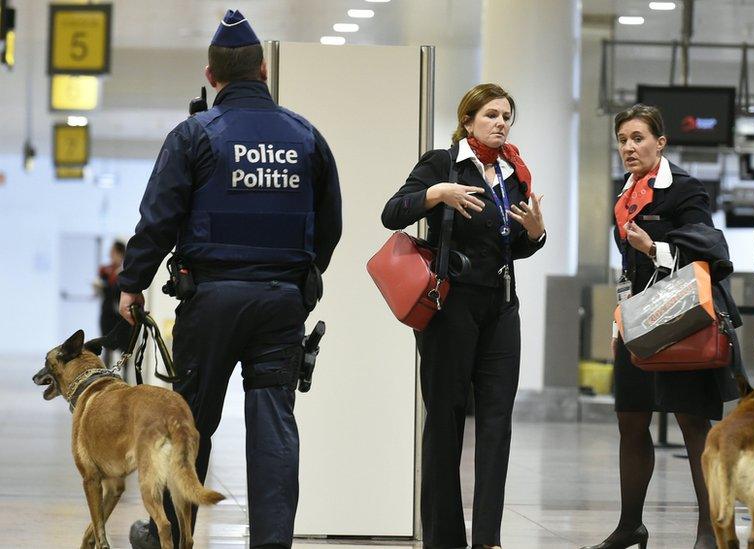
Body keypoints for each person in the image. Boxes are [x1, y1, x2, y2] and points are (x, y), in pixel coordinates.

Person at [118, 10, 342, 549]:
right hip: (280, 304)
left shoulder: (195, 134)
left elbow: (159, 217)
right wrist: (299, 279)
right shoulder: (305, 136)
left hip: (211, 301)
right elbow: (331, 225)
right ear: (263, 70)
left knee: (187, 422)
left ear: (211, 75)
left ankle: (171, 536)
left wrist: (132, 283)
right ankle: (271, 542)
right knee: (273, 426)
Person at [382, 83, 546, 549]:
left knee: (497, 421)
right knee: (445, 421)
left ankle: (488, 539)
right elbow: (391, 213)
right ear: (469, 119)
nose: (500, 123)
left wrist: (535, 234)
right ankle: (443, 539)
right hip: (450, 306)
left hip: (500, 306)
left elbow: (512, 245)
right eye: (491, 115)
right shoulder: (442, 163)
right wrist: (436, 193)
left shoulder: (515, 174)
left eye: (507, 116)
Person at [582, 104, 741, 549]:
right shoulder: (627, 193)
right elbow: (628, 267)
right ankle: (630, 525)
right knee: (631, 422)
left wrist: (654, 247)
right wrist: (621, 319)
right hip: (639, 324)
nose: (629, 147)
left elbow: (709, 251)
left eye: (638, 138)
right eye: (622, 140)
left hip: (682, 323)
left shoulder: (685, 189)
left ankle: (710, 531)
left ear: (661, 142)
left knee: (693, 424)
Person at [95, 240, 125, 365]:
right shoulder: (105, 270)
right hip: (107, 313)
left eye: (112, 251)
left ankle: (125, 377)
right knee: (106, 346)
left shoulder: (125, 270)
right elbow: (102, 289)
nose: (110, 254)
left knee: (125, 347)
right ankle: (106, 374)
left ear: (120, 253)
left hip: (122, 314)